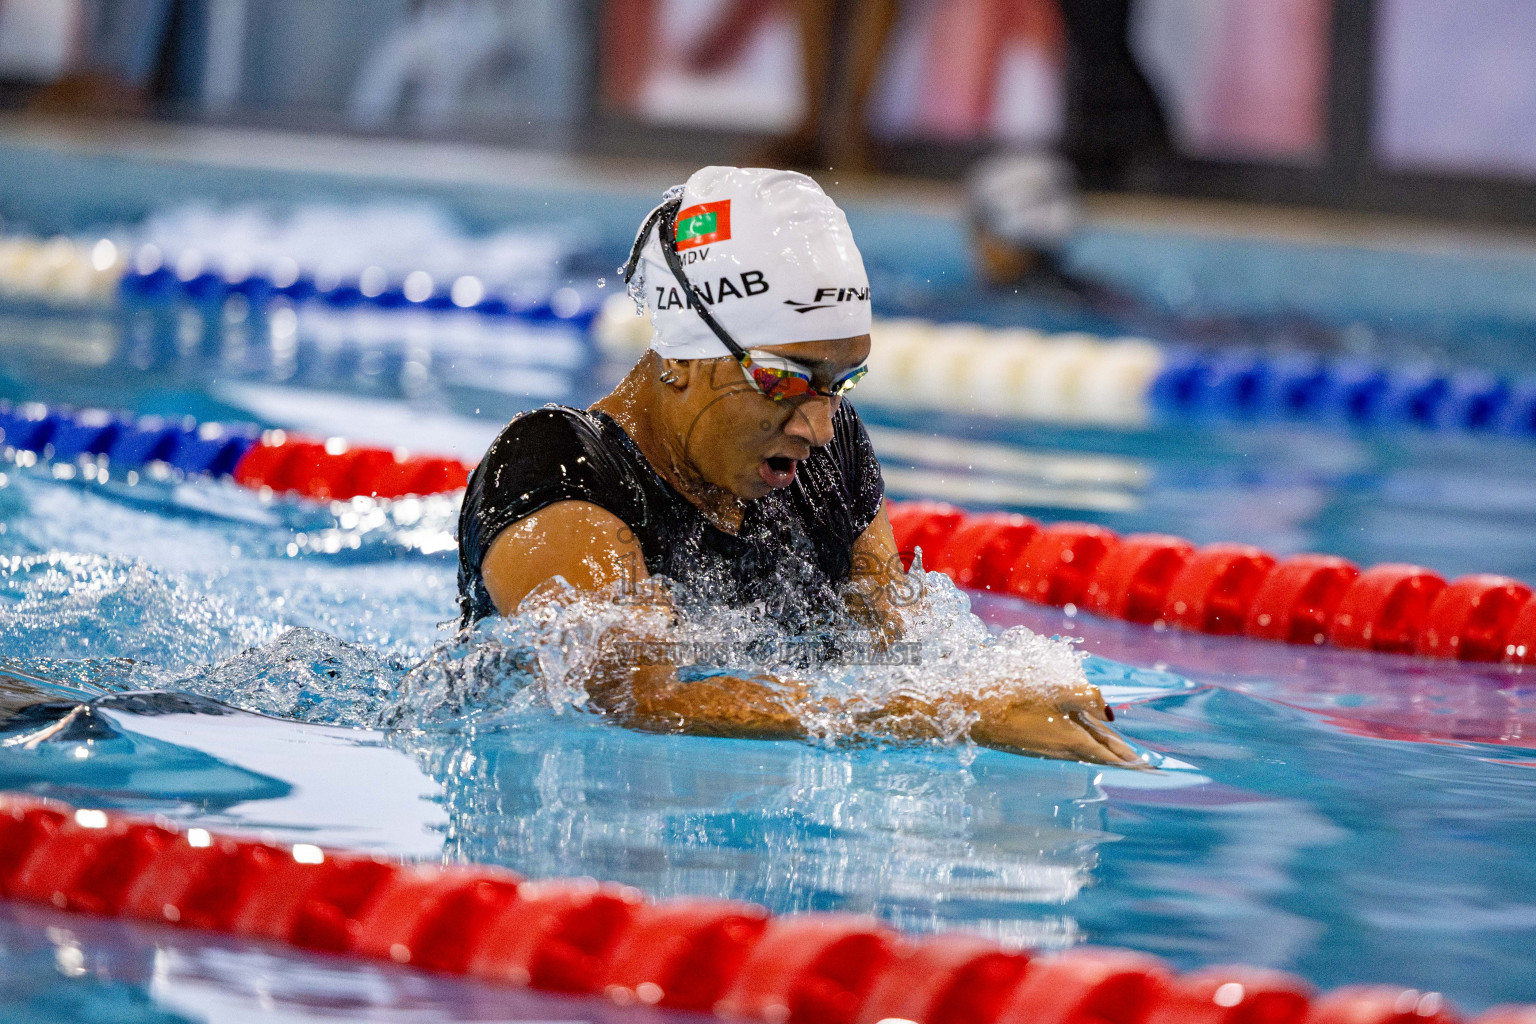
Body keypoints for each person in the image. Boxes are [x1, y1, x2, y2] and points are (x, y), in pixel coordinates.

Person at [457, 166, 1135, 765]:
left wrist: (1005, 690)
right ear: (684, 354)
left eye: (840, 383)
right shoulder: (557, 469)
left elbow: (890, 648)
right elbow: (631, 700)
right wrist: (954, 718)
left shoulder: (827, 455)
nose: (817, 425)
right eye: (784, 379)